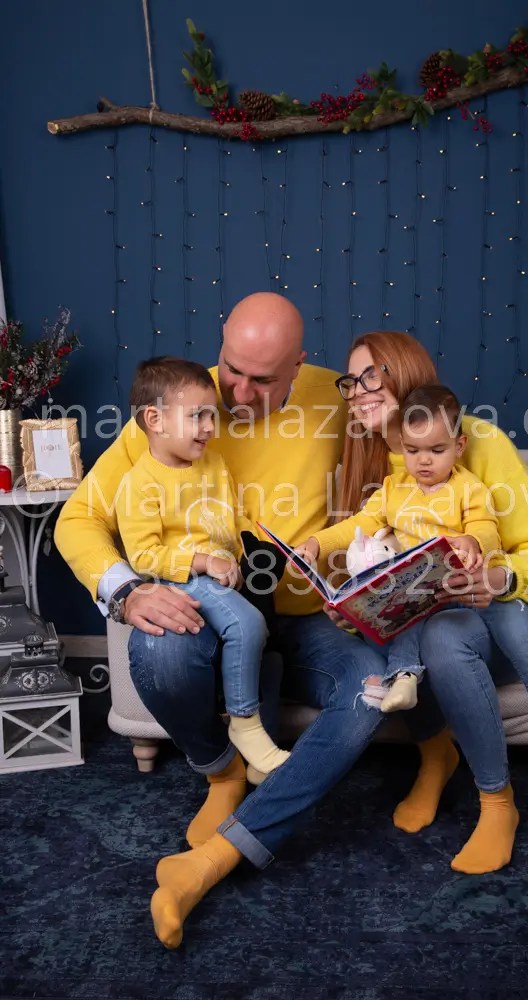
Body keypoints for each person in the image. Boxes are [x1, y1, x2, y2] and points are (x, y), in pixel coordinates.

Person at [55, 293, 394, 950]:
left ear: (299, 365)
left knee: (371, 689)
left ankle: (213, 859)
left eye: (261, 379)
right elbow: (81, 516)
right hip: (215, 608)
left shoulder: (338, 399)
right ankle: (221, 770)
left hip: (307, 616)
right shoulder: (182, 400)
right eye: (230, 367)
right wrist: (125, 590)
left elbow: (413, 452)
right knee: (160, 651)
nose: (235, 392)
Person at [329, 331, 528, 877]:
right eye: (351, 381)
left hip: (513, 618)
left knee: (440, 636)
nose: (358, 391)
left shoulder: (480, 443)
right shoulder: (380, 458)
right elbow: (375, 556)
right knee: (390, 632)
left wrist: (497, 578)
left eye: (372, 375)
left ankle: (498, 802)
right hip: (435, 613)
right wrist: (355, 607)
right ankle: (437, 755)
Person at [299, 383, 528, 758]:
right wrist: (317, 543)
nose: (423, 461)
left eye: (436, 450)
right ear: (401, 446)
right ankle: (405, 676)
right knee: (407, 614)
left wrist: (472, 542)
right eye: (413, 451)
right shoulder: (394, 489)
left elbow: (485, 526)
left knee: (517, 625)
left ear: (459, 447)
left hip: (473, 588)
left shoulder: (468, 488)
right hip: (427, 592)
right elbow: (359, 524)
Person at [117, 356, 290, 777]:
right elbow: (144, 555)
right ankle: (245, 724)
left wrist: (252, 547)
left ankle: (255, 755)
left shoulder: (213, 464)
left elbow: (231, 517)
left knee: (269, 647)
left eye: (212, 415)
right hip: (185, 580)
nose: (211, 426)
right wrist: (203, 561)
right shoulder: (140, 483)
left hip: (225, 575)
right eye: (198, 416)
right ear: (155, 420)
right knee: (247, 625)